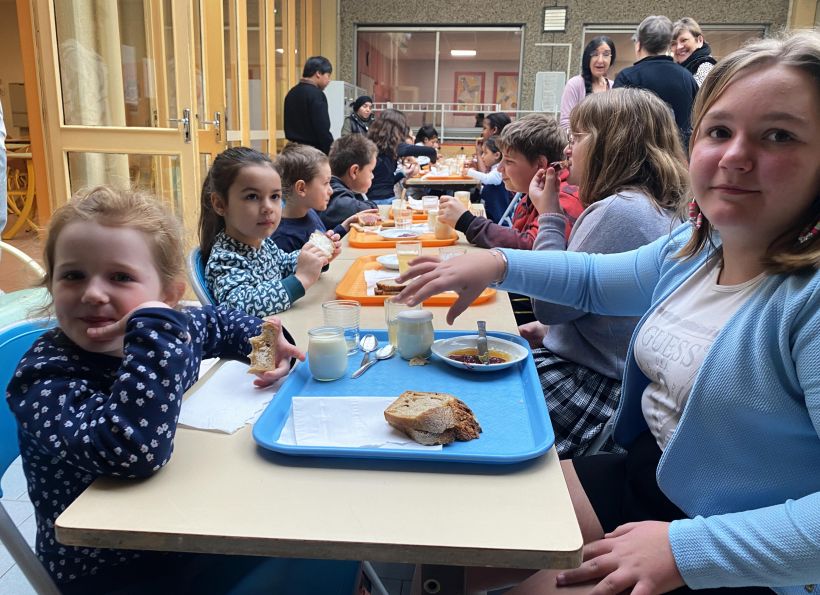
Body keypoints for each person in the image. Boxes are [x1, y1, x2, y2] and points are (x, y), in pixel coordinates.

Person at [396, 30, 820, 594]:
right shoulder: (698, 248)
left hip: (736, 545)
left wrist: (685, 551)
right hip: (649, 478)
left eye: (779, 136)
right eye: (720, 130)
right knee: (447, 552)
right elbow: (594, 280)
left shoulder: (808, 299)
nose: (736, 156)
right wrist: (495, 263)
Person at [4, 185, 356, 593]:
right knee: (322, 558)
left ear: (168, 295)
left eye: (120, 277)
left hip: (192, 525)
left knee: (326, 523)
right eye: (72, 275)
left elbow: (222, 324)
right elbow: (133, 450)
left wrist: (269, 345)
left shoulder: (176, 328)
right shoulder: (45, 376)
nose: (93, 293)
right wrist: (153, 329)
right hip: (112, 567)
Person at [526, 87, 687, 457]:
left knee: (481, 408)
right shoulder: (657, 206)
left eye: (578, 137)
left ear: (613, 144)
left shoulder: (620, 210)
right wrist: (555, 332)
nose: (567, 149)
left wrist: (548, 214)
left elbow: (549, 302)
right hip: (609, 375)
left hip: (593, 388)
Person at [200, 147, 333, 316]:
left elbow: (283, 265)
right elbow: (239, 306)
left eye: (275, 196)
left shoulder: (262, 242)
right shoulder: (225, 259)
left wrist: (316, 257)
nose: (268, 208)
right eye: (252, 196)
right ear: (220, 204)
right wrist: (301, 280)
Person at [614, 15, 698, 145]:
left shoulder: (627, 78)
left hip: (637, 159)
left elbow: (615, 124)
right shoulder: (686, 77)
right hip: (679, 159)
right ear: (668, 45)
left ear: (638, 44)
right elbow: (697, 119)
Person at [271, 143, 364, 252]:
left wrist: (344, 226)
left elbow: (322, 246)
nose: (331, 190)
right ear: (301, 188)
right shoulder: (283, 239)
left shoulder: (310, 212)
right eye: (326, 183)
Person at [366, 109, 437, 203]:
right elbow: (431, 151)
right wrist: (433, 161)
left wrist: (403, 173)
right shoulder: (397, 147)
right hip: (385, 201)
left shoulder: (370, 145)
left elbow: (384, 182)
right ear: (396, 129)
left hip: (369, 200)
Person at [559, 36, 616, 131]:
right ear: (587, 58)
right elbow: (566, 123)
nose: (600, 60)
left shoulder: (614, 86)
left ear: (611, 59)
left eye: (606, 54)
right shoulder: (575, 84)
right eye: (595, 54)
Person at [323, 134, 379, 229]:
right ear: (354, 171)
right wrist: (372, 205)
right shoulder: (337, 198)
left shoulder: (337, 188)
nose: (372, 176)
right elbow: (369, 210)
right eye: (370, 171)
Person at [283, 56, 334, 154]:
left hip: (291, 151)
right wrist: (331, 153)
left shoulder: (292, 93)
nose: (329, 80)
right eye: (328, 75)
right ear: (318, 73)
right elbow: (322, 129)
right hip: (312, 153)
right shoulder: (317, 94)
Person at [464, 135, 513, 223]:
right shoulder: (493, 168)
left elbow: (488, 179)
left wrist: (469, 172)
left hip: (500, 219)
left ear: (497, 155)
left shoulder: (500, 169)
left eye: (485, 153)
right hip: (491, 214)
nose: (482, 157)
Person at [672, 17, 717, 86]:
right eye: (673, 43)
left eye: (684, 40)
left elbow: (695, 96)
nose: (678, 47)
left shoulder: (705, 67)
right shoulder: (678, 68)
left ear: (699, 40)